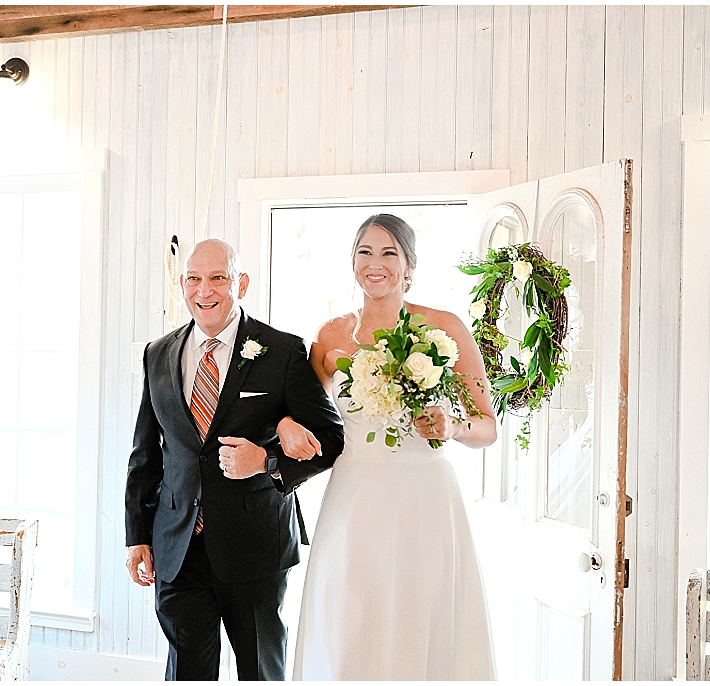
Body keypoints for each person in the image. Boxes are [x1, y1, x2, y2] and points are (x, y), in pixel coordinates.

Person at [285, 214, 499, 680]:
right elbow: (302, 413)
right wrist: (284, 422)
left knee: (420, 611)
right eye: (365, 252)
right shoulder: (330, 337)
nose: (375, 264)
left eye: (389, 253)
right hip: (355, 494)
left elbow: (487, 427)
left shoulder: (445, 327)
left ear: (409, 265)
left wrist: (453, 425)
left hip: (424, 498)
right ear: (352, 263)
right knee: (348, 613)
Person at [124, 239, 345, 681]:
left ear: (240, 283)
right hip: (177, 546)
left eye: (218, 278)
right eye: (194, 279)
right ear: (182, 284)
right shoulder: (158, 354)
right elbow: (146, 453)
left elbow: (331, 439)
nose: (204, 290)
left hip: (255, 545)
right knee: (187, 671)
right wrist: (137, 535)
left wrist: (266, 460)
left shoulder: (282, 351)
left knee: (260, 670)